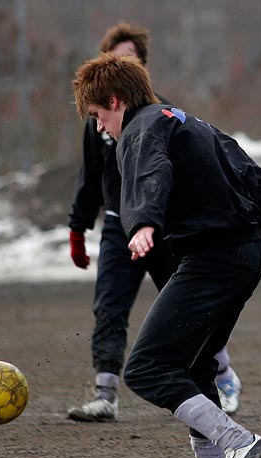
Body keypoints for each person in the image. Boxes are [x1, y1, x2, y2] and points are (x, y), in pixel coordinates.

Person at [72, 53, 261, 458]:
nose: (102, 129)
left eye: (99, 116)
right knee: (194, 367)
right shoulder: (187, 120)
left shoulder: (140, 129)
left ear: (116, 101)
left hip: (213, 258)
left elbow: (151, 173)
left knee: (147, 369)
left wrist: (144, 221)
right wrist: (259, 249)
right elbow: (259, 181)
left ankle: (241, 444)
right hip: (243, 253)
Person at [67, 22, 242, 422]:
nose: (123, 62)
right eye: (116, 57)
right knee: (109, 307)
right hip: (118, 226)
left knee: (187, 310)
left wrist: (151, 220)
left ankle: (223, 373)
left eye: (130, 57)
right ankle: (105, 393)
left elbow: (158, 172)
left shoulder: (156, 115)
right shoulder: (97, 121)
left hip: (162, 230)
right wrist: (78, 229)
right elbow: (89, 178)